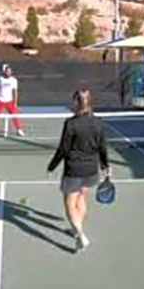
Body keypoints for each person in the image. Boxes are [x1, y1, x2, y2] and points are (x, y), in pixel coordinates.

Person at [47, 89, 110, 253]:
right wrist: (105, 166)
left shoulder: (71, 124)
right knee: (82, 197)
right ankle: (78, 229)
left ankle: (79, 235)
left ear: (78, 102)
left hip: (74, 169)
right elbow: (102, 147)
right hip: (91, 169)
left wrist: (52, 166)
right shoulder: (98, 123)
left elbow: (63, 149)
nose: (71, 104)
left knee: (69, 203)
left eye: (73, 101)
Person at [0, 63, 25, 136]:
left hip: (10, 101)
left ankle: (19, 130)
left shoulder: (14, 80)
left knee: (14, 116)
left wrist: (15, 103)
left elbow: (15, 92)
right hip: (0, 101)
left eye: (10, 71)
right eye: (7, 71)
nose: (9, 72)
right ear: (4, 72)